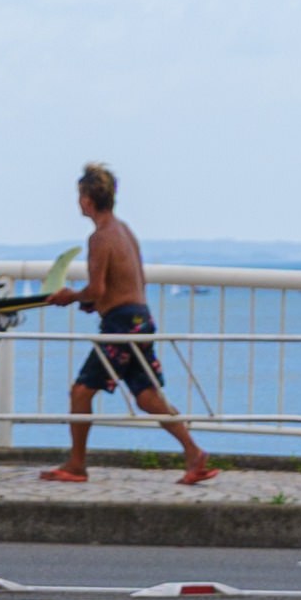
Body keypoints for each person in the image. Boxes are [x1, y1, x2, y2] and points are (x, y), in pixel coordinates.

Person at [41, 165, 213, 487]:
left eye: (80, 196)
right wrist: (95, 303)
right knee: (147, 396)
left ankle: (76, 465)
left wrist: (71, 296)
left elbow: (97, 289)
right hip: (140, 318)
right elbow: (128, 283)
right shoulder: (124, 230)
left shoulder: (99, 237)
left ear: (87, 200)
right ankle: (193, 452)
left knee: (81, 392)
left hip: (120, 325)